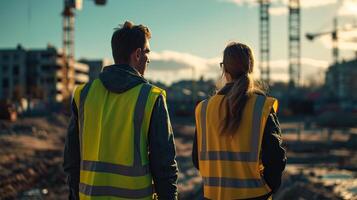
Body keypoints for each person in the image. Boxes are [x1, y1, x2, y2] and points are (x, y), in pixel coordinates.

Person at [63, 21, 178, 200]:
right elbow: (164, 165)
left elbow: (71, 160)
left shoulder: (84, 94)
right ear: (138, 54)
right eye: (147, 52)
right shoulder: (151, 97)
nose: (149, 58)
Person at [192, 42, 286, 200]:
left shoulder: (203, 109)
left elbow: (197, 160)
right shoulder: (261, 106)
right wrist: (269, 188)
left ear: (224, 68)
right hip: (255, 195)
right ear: (251, 67)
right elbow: (276, 159)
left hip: (214, 196)